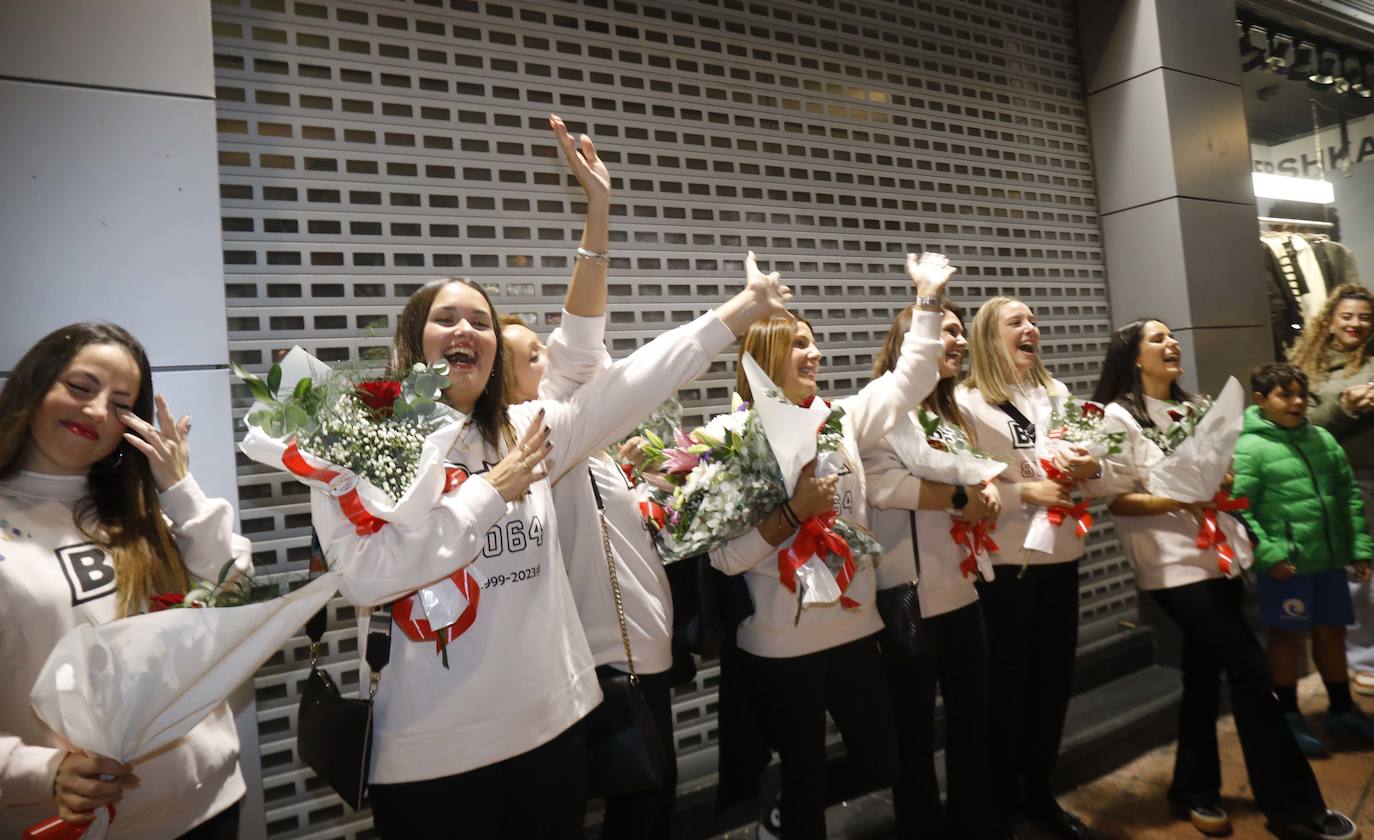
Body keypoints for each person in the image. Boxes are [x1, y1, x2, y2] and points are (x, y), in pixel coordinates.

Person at [311, 116, 793, 839]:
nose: (467, 330)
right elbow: (365, 579)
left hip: (551, 730)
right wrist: (487, 492)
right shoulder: (363, 440)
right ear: (412, 341)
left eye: (480, 319)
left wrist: (737, 313)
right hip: (430, 751)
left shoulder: (529, 431)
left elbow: (630, 381)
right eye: (447, 319)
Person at [710, 252, 952, 840]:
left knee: (882, 760)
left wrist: (927, 302)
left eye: (814, 343)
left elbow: (909, 380)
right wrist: (793, 514)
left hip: (855, 626)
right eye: (798, 344)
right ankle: (790, 811)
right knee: (806, 779)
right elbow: (724, 558)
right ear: (763, 357)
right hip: (780, 644)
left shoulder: (840, 420)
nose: (814, 353)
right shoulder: (729, 436)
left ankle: (783, 805)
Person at [1094, 321, 1358, 840]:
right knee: (1250, 673)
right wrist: (1179, 497)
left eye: (1173, 337)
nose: (1172, 345)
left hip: (1219, 556)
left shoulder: (1196, 408)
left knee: (1201, 675)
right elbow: (1117, 500)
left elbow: (1224, 475)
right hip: (1170, 564)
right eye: (1158, 339)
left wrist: (1223, 478)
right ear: (1132, 356)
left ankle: (1194, 789)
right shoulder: (1116, 417)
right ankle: (1292, 806)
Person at [500, 116, 683, 839]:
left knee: (649, 807)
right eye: (533, 354)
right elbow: (582, 338)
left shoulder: (588, 444)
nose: (551, 355)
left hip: (646, 651)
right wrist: (597, 213)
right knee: (625, 813)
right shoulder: (538, 436)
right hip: (599, 664)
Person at [0, 323, 251, 840]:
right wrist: (38, 772)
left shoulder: (144, 515)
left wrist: (180, 488)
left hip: (212, 804)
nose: (96, 412)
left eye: (119, 404)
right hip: (83, 825)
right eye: (80, 387)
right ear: (33, 386)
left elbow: (236, 599)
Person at [955, 296, 1104, 840]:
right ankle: (998, 807)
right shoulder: (967, 401)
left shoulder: (1056, 394)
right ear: (988, 338)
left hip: (1062, 555)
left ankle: (1040, 795)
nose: (1031, 328)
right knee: (1006, 689)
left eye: (1034, 320)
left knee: (1052, 684)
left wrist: (1092, 465)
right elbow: (966, 484)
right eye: (1016, 321)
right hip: (1003, 562)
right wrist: (1025, 493)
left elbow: (1086, 459)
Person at [863, 301, 1009, 839]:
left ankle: (978, 822)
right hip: (909, 599)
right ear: (912, 343)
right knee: (913, 735)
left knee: (973, 722)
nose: (959, 342)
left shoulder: (956, 415)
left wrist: (986, 488)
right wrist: (957, 494)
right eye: (946, 331)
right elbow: (883, 486)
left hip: (964, 593)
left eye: (959, 333)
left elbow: (978, 478)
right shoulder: (881, 412)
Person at [1232, 362, 1374, 759]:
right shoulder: (1249, 447)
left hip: (1327, 561)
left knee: (1332, 633)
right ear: (1261, 400)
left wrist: (1359, 549)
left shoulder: (1323, 440)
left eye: (1300, 395)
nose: (1296, 403)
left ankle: (1342, 709)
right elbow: (1240, 509)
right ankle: (1289, 715)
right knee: (1285, 639)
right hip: (1287, 568)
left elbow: (1347, 496)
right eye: (1285, 395)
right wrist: (1269, 555)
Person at [1289, 284, 1374, 697]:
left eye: (1364, 317)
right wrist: (1347, 407)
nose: (1356, 324)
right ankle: (1362, 658)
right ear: (1330, 320)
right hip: (1344, 480)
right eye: (1348, 316)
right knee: (1360, 572)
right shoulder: (1308, 366)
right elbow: (1301, 426)